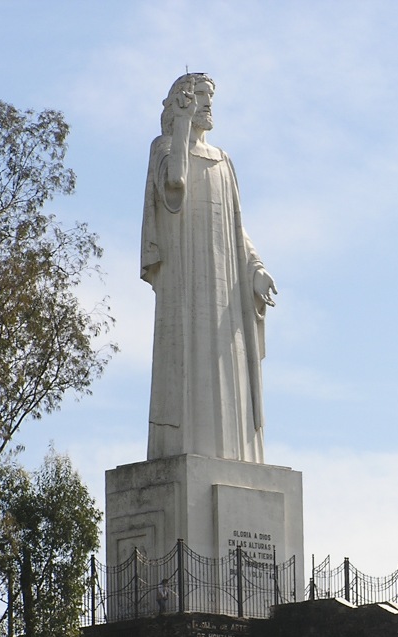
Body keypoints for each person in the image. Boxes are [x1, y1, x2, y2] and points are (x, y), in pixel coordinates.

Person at [141, 73, 278, 463]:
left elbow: (238, 228)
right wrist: (182, 128)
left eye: (210, 96)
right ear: (180, 102)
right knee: (188, 368)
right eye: (198, 94)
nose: (207, 102)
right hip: (185, 284)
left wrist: (256, 267)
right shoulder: (165, 148)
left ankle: (237, 455)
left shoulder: (224, 161)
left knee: (228, 368)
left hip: (225, 289)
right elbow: (174, 187)